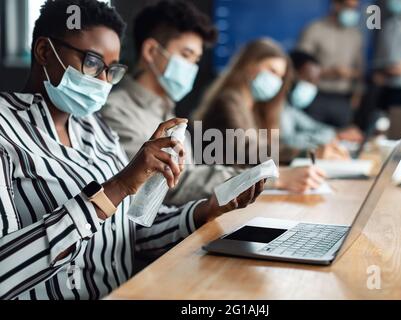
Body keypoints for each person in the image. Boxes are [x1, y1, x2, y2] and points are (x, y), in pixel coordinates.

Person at [0, 0, 264, 300]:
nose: (102, 81)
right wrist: (119, 187)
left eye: (111, 70)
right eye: (92, 62)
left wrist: (206, 210)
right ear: (44, 51)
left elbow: (130, 232)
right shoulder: (5, 130)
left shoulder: (94, 128)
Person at [102, 1, 242, 206]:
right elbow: (165, 185)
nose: (192, 67)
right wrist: (256, 178)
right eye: (186, 55)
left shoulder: (168, 112)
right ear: (151, 51)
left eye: (196, 59)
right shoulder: (115, 112)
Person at [195, 38, 334, 193]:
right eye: (272, 71)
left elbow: (270, 148)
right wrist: (291, 166)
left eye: (281, 77)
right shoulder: (229, 100)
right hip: (214, 193)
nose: (277, 81)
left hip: (236, 190)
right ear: (249, 65)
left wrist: (307, 152)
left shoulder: (255, 106)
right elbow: (252, 149)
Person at [297, 0, 364, 128]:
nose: (353, 12)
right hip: (316, 96)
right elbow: (300, 65)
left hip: (343, 100)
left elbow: (360, 69)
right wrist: (329, 72)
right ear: (336, 5)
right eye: (349, 7)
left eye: (355, 8)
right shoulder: (314, 29)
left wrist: (357, 94)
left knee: (342, 142)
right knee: (311, 138)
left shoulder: (355, 35)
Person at [282, 50, 364, 150]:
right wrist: (334, 136)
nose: (311, 86)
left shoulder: (289, 107)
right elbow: (285, 143)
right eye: (308, 79)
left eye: (315, 81)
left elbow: (311, 126)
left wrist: (337, 133)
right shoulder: (272, 107)